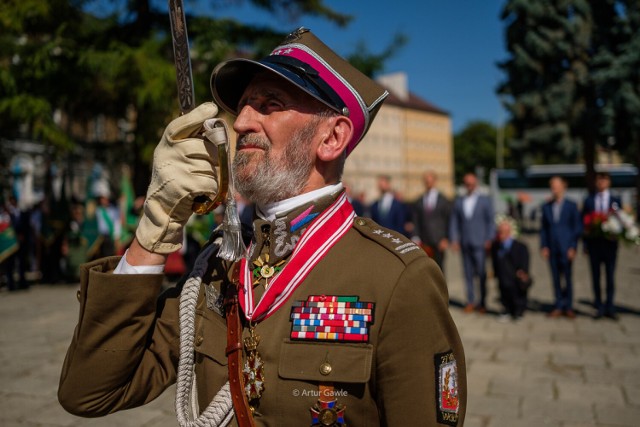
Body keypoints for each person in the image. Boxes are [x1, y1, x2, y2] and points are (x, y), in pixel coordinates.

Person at [58, 28, 466, 427]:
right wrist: (154, 231)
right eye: (244, 106)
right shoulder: (216, 270)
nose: (240, 123)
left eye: (270, 103)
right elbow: (91, 392)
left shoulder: (397, 277)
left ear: (332, 137)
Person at [449, 172, 495, 313]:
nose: (469, 186)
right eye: (466, 184)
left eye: (471, 184)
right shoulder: (460, 201)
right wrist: (454, 239)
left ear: (475, 184)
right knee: (467, 273)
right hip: (465, 242)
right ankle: (470, 300)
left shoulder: (484, 201)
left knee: (481, 273)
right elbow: (454, 221)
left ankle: (482, 302)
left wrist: (489, 239)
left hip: (480, 242)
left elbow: (490, 221)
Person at [540, 176, 582, 318]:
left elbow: (576, 228)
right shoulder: (546, 206)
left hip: (566, 247)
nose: (554, 189)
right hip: (552, 247)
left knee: (568, 278)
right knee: (555, 278)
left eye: (556, 186)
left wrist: (573, 247)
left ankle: (568, 305)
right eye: (552, 186)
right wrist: (544, 246)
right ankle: (558, 304)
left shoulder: (571, 205)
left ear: (564, 186)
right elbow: (544, 229)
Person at [582, 172, 621, 319]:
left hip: (610, 244)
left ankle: (610, 306)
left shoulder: (615, 199)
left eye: (604, 180)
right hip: (594, 244)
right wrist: (585, 244)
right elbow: (584, 223)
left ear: (609, 182)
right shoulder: (589, 200)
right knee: (596, 276)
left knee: (610, 277)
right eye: (599, 180)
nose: (602, 183)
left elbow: (621, 220)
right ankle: (598, 305)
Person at [410, 170, 452, 271]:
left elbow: (448, 219)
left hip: (439, 240)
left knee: (439, 270)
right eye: (426, 181)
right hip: (424, 241)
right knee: (427, 270)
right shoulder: (420, 201)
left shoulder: (443, 200)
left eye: (430, 181)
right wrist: (415, 237)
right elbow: (416, 220)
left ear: (434, 181)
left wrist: (446, 238)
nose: (428, 183)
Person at [491, 217, 531, 321]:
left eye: (503, 232)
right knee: (504, 292)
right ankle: (507, 309)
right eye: (499, 232)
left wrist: (523, 271)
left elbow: (525, 259)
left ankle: (518, 311)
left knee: (517, 293)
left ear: (509, 232)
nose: (500, 234)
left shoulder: (520, 246)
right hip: (503, 276)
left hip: (515, 276)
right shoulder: (496, 246)